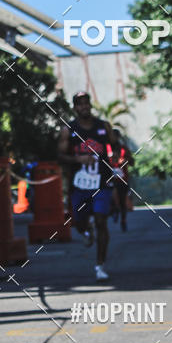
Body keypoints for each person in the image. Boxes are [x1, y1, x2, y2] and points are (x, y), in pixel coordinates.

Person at [58, 91, 115, 280]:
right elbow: (60, 155)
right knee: (79, 222)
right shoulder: (69, 129)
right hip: (80, 185)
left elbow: (116, 146)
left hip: (101, 183)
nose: (84, 107)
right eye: (79, 104)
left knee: (101, 221)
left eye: (86, 103)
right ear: (75, 108)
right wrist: (78, 158)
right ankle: (86, 229)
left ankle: (100, 266)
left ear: (90, 105)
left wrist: (116, 164)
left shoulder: (103, 127)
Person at [107, 128, 133, 232]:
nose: (112, 138)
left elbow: (132, 162)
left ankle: (123, 219)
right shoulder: (106, 148)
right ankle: (114, 209)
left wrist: (124, 160)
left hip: (122, 179)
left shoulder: (123, 149)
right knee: (111, 197)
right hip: (109, 178)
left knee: (122, 201)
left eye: (114, 136)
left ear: (117, 137)